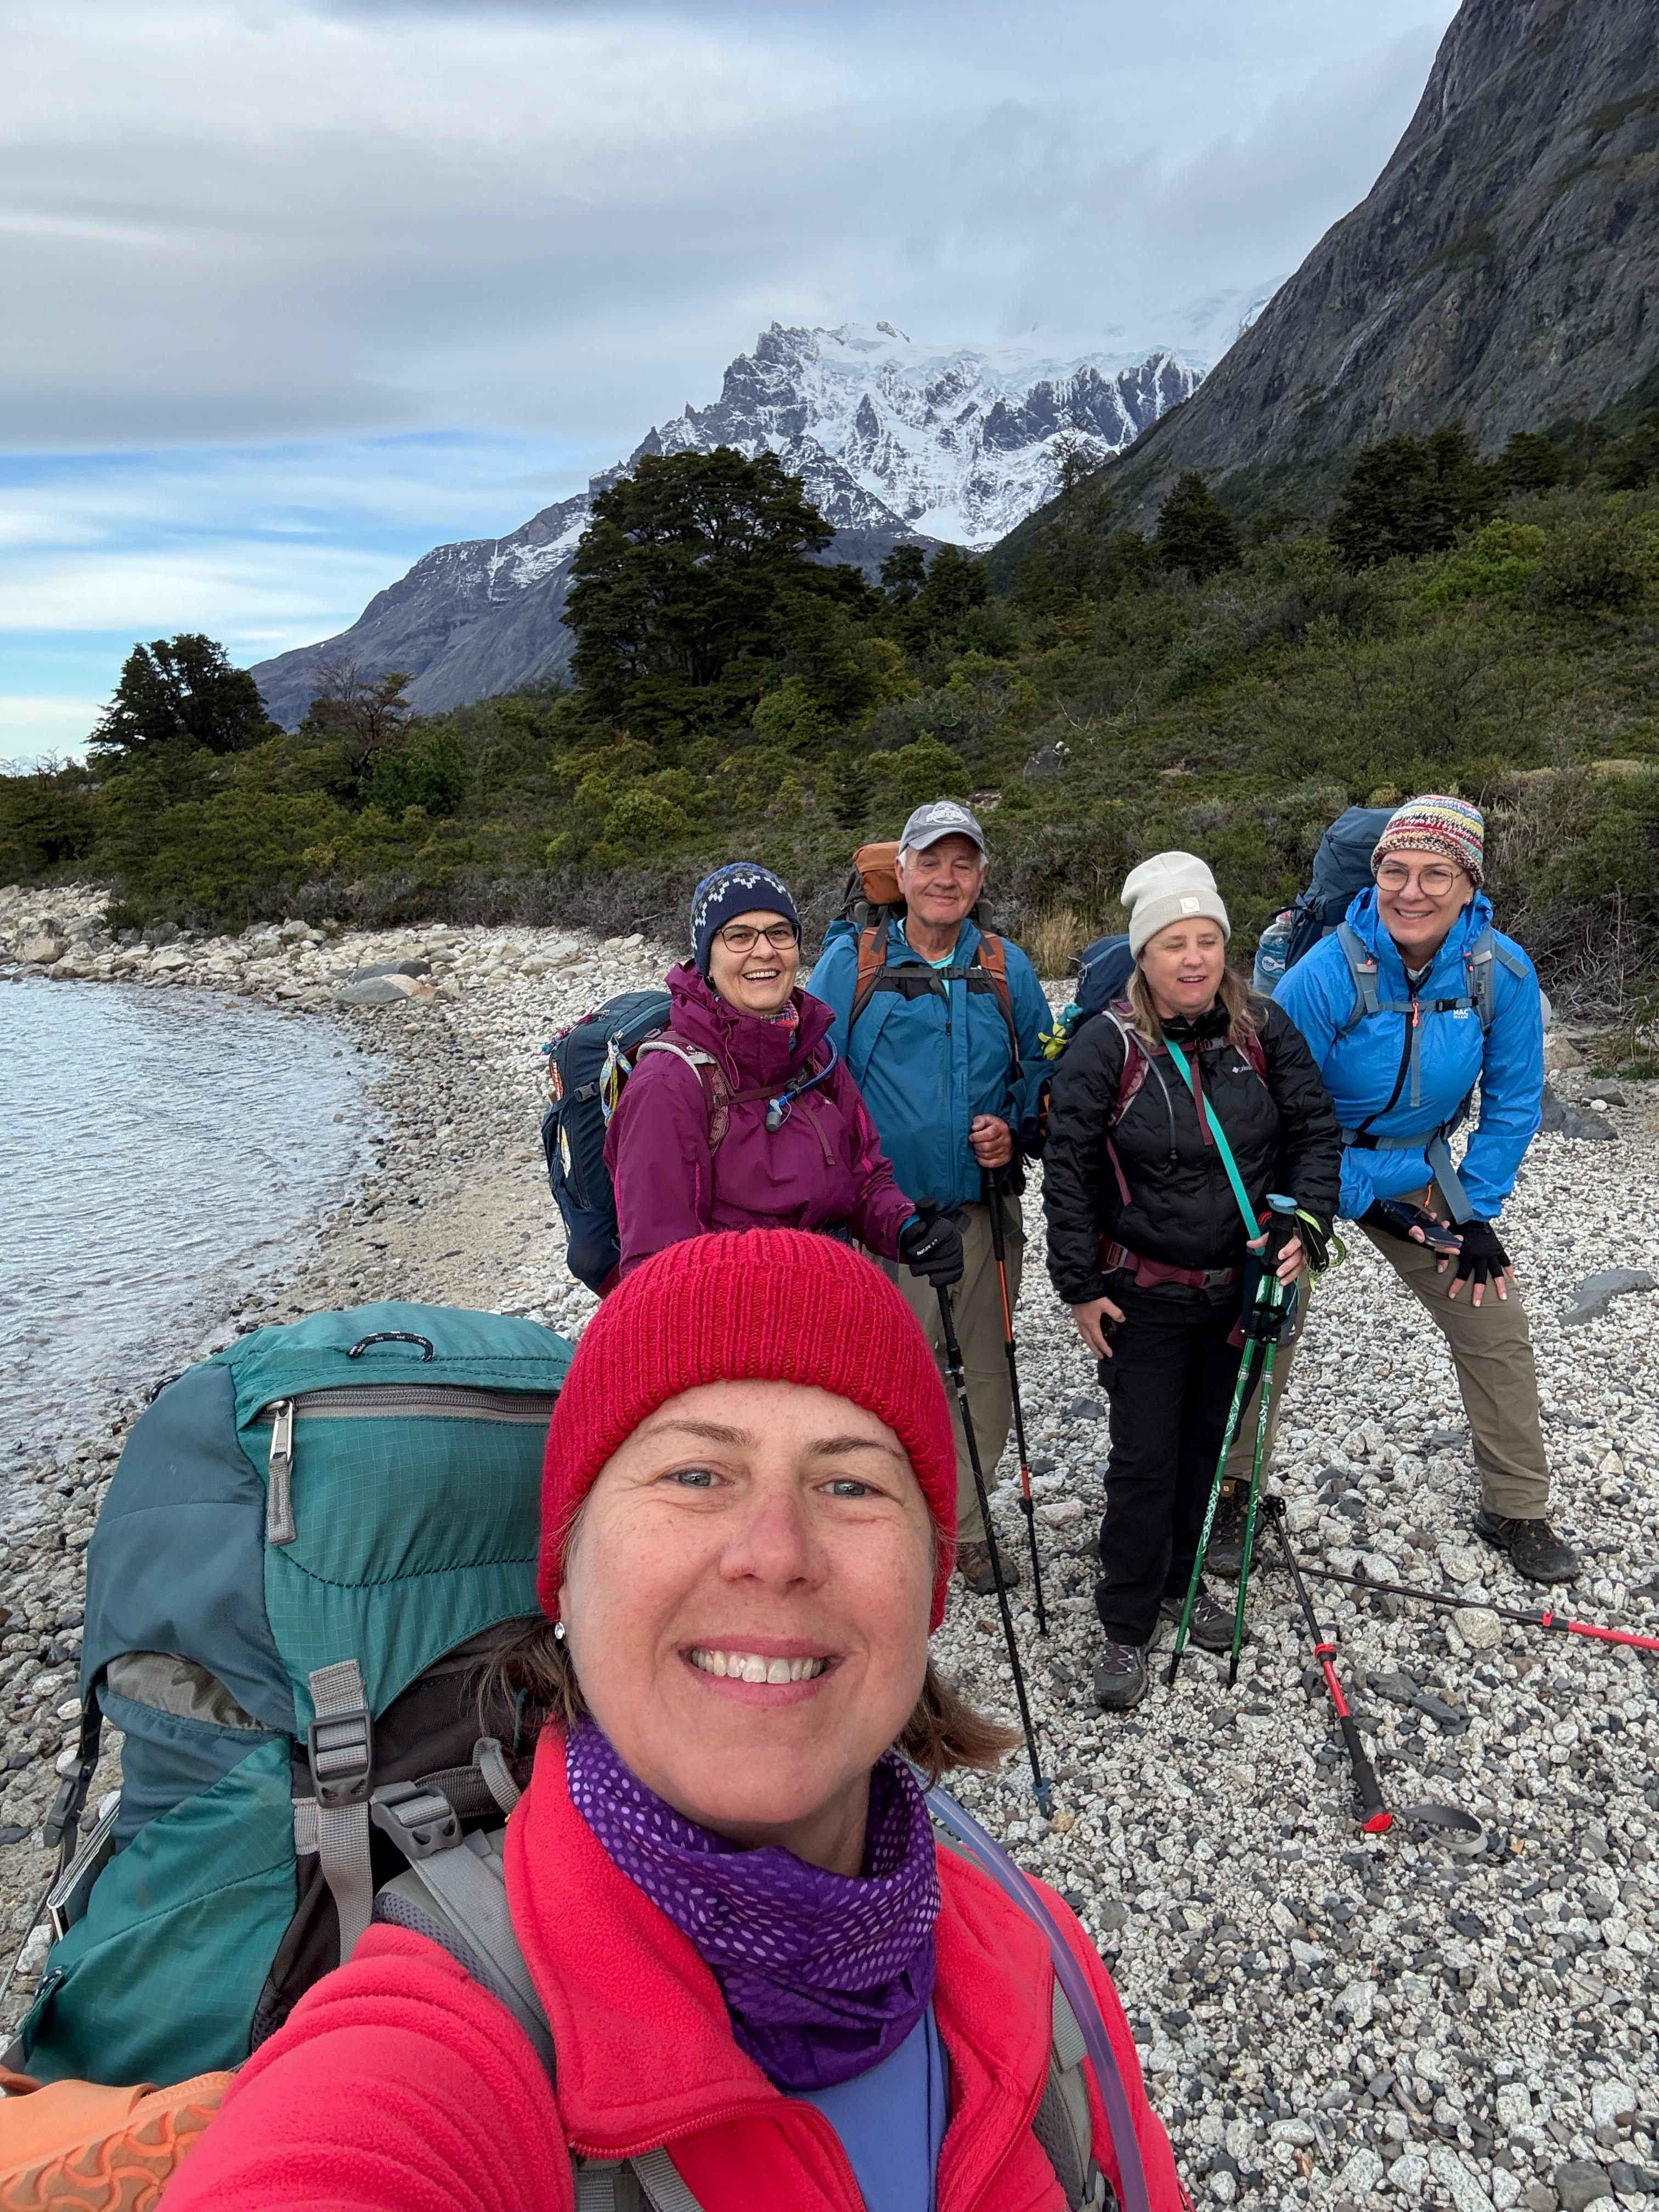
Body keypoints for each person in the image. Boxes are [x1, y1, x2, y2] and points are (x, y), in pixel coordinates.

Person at [162, 1231, 1184, 2212]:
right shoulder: (436, 2048)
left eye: (850, 1483)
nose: (774, 1551)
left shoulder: (1039, 1957)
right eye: (696, 1475)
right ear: (566, 1570)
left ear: (928, 1584)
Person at [1240, 794, 1579, 1583]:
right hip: (1309, 1170)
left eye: (1436, 874)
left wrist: (1478, 1211)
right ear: (1375, 875)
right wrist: (1353, 1204)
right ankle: (1231, 1493)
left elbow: (1514, 1100)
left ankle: (1517, 1506)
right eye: (1395, 871)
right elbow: (1273, 1111)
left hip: (1422, 1170)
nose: (1411, 891)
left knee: (1494, 1316)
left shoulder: (1499, 972)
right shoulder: (1325, 974)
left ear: (1471, 885)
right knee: (1264, 1313)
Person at [1042, 852, 1342, 1712]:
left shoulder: (1264, 1030)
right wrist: (1079, 1286)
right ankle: (1126, 1621)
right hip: (1140, 1293)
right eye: (1173, 943)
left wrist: (1305, 1227)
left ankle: (1180, 1582)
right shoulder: (1106, 1046)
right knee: (1144, 1459)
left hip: (1238, 1290)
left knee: (1207, 1447)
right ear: (1143, 956)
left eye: (1207, 940)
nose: (1193, 958)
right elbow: (1069, 1173)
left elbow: (1315, 1133)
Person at [808, 802, 1051, 1595]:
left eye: (963, 864)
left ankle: (965, 1529)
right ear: (903, 872)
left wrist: (1013, 1130)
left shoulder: (1007, 969)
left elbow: (1042, 1077)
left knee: (986, 1376)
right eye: (932, 862)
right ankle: (884, 1525)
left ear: (981, 878)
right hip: (887, 1224)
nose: (947, 878)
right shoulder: (853, 966)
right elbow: (816, 1084)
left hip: (982, 1214)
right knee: (891, 1378)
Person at [606, 860, 963, 1289]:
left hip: (832, 1303)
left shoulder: (814, 1053)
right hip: (738, 1320)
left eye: (779, 932)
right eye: (739, 936)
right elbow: (657, 1272)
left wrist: (907, 1230)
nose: (765, 951)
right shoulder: (669, 1083)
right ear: (707, 960)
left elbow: (864, 1179)